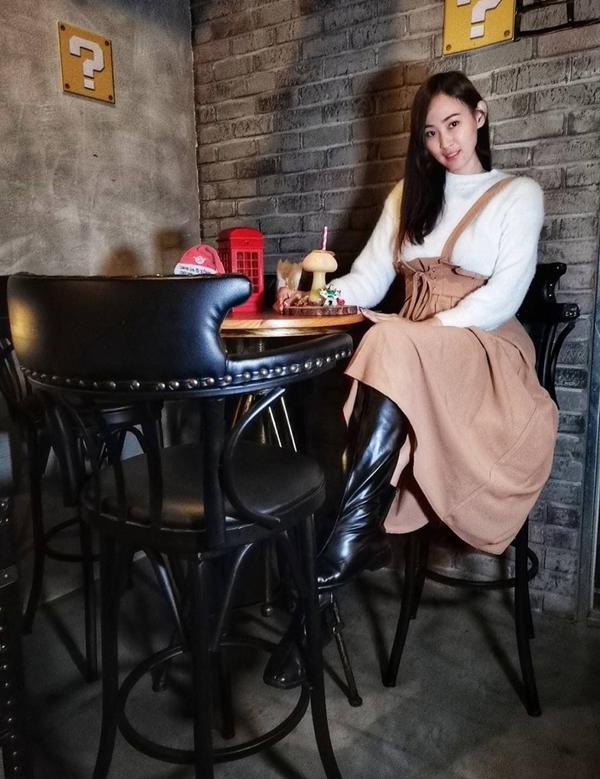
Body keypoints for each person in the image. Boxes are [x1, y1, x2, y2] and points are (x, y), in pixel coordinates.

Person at [265, 70, 556, 688]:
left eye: (454, 124)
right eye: (430, 133)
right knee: (384, 339)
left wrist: (425, 332)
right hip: (411, 357)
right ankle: (350, 546)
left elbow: (506, 295)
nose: (445, 142)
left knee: (390, 338)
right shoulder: (408, 196)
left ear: (479, 116)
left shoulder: (518, 193)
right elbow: (369, 282)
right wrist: (316, 297)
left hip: (483, 351)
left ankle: (339, 554)